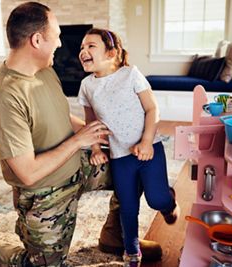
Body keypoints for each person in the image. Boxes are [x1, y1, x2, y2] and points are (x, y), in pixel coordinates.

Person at [0, 2, 163, 266]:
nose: (60, 43)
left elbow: (58, 114)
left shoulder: (44, 70)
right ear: (36, 40)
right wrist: (79, 140)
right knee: (43, 264)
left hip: (77, 164)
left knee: (134, 165)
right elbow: (27, 172)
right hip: (46, 189)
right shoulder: (5, 98)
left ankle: (116, 237)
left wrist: (99, 135)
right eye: (56, 36)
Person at [77, 28, 180, 266]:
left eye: (91, 46)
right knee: (128, 205)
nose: (83, 51)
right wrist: (95, 149)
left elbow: (152, 109)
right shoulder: (86, 86)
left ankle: (169, 202)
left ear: (111, 52)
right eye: (81, 47)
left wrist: (146, 141)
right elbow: (91, 123)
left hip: (149, 149)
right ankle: (132, 252)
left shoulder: (131, 74)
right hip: (120, 156)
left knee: (157, 199)